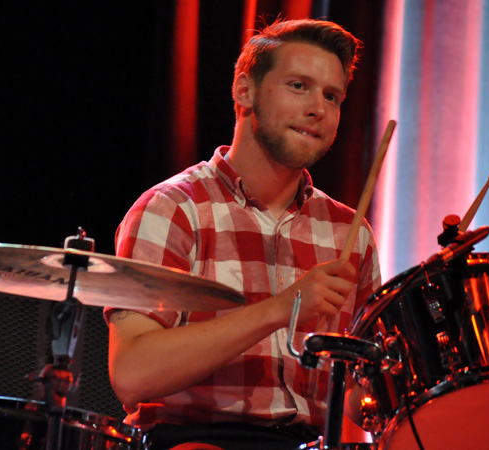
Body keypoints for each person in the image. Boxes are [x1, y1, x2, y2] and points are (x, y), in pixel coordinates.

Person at [105, 18, 381, 450]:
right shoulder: (173, 209)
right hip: (196, 440)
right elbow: (132, 375)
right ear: (244, 91)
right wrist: (282, 309)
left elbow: (362, 402)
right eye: (298, 86)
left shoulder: (350, 232)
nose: (319, 109)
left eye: (332, 96)